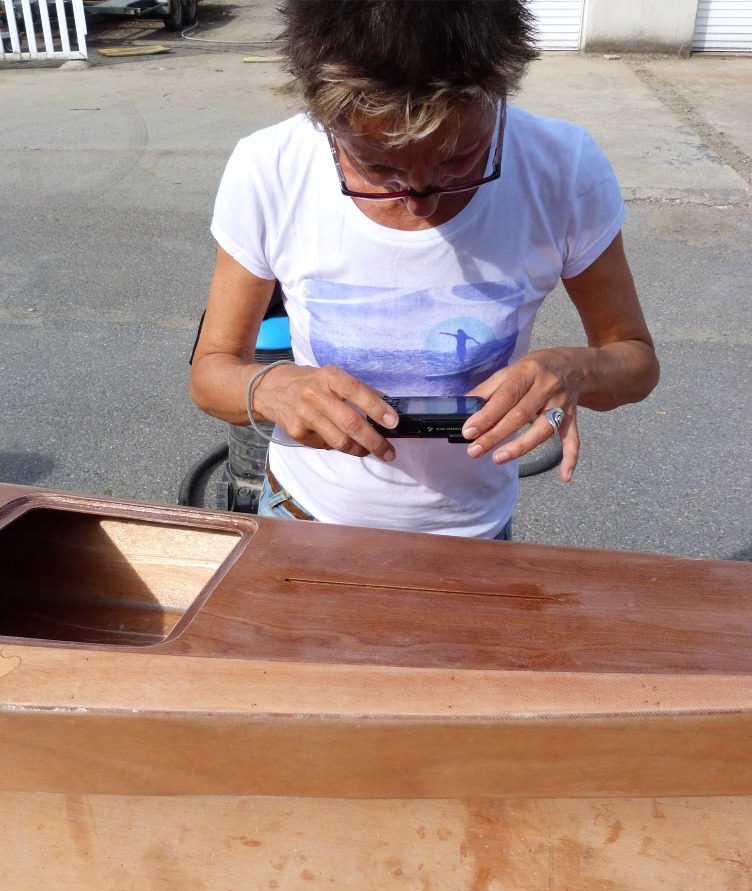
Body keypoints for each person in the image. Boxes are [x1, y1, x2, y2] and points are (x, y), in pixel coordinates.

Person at [189, 0, 660, 540]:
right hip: (303, 519)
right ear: (325, 121)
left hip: (473, 535)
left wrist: (573, 370)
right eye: (379, 167)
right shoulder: (270, 167)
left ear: (499, 93)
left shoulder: (562, 167)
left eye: (459, 160)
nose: (419, 204)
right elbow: (210, 375)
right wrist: (272, 389)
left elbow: (636, 361)